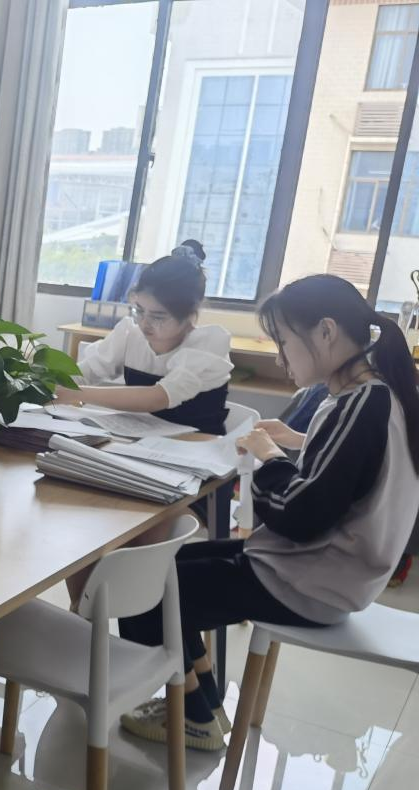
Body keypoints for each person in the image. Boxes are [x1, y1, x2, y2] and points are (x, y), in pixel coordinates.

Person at [118, 275, 419, 751]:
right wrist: (298, 441)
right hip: (329, 571)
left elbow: (299, 516)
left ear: (325, 332)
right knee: (160, 567)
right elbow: (355, 470)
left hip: (312, 580)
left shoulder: (359, 404)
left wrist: (268, 456)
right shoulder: (376, 392)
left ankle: (193, 716)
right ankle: (205, 703)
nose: (280, 358)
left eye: (283, 342)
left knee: (138, 591)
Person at [64, 240, 233, 434]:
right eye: (139, 310)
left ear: (189, 314)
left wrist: (74, 393)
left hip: (198, 444)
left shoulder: (208, 344)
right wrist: (56, 384)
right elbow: (84, 373)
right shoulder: (129, 335)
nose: (145, 323)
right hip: (141, 441)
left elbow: (158, 398)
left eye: (158, 316)